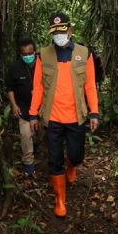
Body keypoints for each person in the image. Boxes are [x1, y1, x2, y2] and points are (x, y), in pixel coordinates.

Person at [29, 12, 99, 217]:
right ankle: (60, 200)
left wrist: (94, 112)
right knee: (54, 159)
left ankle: (72, 165)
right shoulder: (43, 55)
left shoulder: (84, 53)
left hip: (76, 116)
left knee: (76, 155)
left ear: (70, 30)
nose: (59, 35)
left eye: (62, 31)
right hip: (52, 118)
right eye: (55, 32)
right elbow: (38, 88)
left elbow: (90, 87)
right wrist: (33, 115)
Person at [5, 37, 38, 176]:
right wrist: (13, 105)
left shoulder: (43, 66)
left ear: (35, 51)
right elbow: (10, 88)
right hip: (23, 108)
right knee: (25, 135)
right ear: (20, 54)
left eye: (30, 53)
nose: (28, 56)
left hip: (41, 109)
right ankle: (28, 164)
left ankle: (36, 149)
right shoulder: (14, 68)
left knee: (39, 134)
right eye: (24, 54)